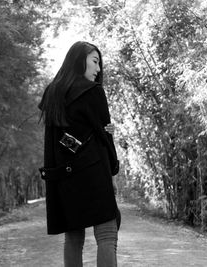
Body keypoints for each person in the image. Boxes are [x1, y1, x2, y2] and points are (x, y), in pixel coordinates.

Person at [38, 41, 120, 267]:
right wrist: (113, 170)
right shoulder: (92, 92)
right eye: (95, 62)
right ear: (79, 61)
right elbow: (105, 137)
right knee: (106, 234)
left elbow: (58, 140)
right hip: (94, 172)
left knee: (73, 237)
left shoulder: (53, 93)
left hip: (64, 175)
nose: (99, 69)